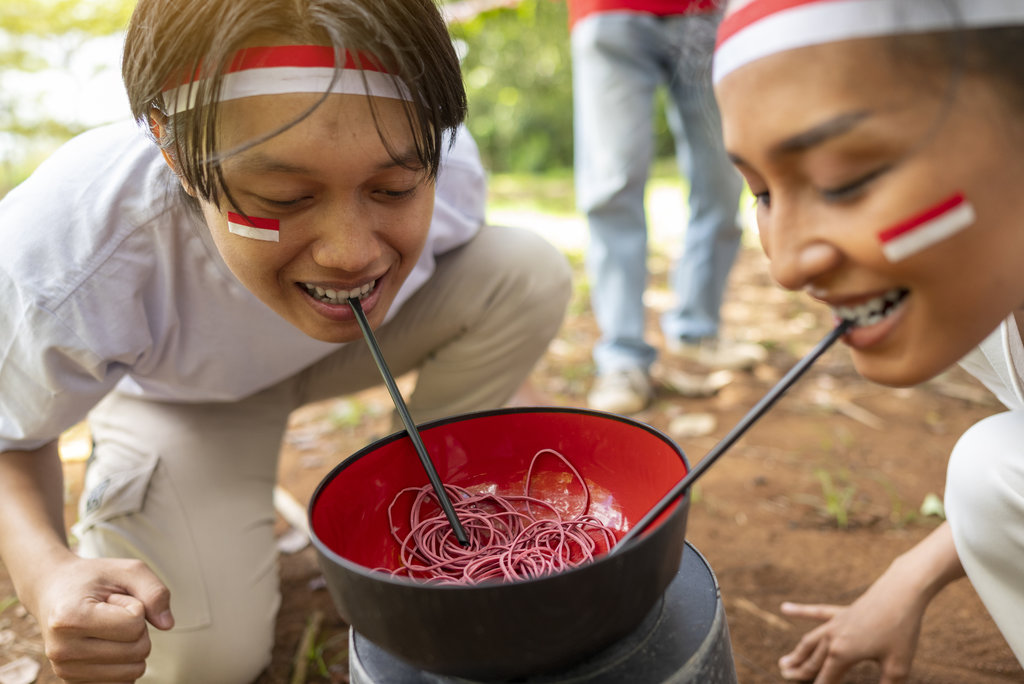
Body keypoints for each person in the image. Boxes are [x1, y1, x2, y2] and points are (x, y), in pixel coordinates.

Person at [0, 0, 572, 681]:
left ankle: (418, 503)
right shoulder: (71, 251)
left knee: (525, 270)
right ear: (172, 150)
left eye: (391, 189)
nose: (351, 254)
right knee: (204, 662)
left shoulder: (445, 163)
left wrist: (502, 420)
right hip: (185, 396)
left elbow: (490, 288)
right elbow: (6, 434)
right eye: (283, 198)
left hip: (355, 347)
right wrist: (45, 574)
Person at [711, 0, 1024, 681]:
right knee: (989, 469)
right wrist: (911, 574)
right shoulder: (976, 292)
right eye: (761, 193)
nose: (787, 266)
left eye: (842, 181)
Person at [570, 0, 765, 415]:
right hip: (607, 11)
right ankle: (622, 357)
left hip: (706, 12)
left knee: (724, 176)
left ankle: (698, 329)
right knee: (612, 185)